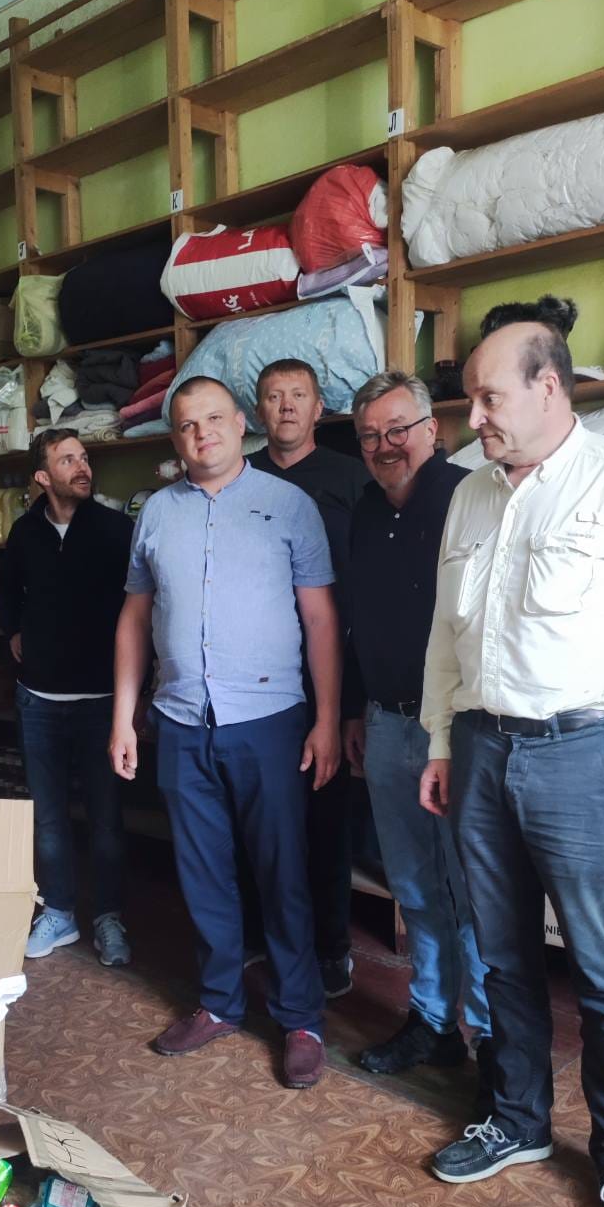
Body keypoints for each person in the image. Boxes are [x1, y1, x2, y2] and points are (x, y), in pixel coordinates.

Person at [418, 295, 604, 1207]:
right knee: (500, 953)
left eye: (489, 398)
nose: (473, 418)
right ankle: (517, 1119)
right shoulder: (470, 493)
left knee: (601, 969)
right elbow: (445, 635)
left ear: (548, 387)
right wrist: (440, 742)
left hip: (584, 753)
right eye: (469, 400)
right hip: (482, 746)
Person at [110, 376, 342, 1089]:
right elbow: (134, 618)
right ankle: (219, 1001)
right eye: (186, 425)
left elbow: (319, 619)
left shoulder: (288, 505)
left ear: (240, 424)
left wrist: (327, 721)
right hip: (182, 720)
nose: (201, 433)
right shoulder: (156, 513)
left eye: (213, 419)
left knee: (282, 871)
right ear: (175, 438)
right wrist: (123, 716)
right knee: (202, 871)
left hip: (269, 721)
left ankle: (300, 1017)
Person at [341, 370, 491, 1105]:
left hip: (457, 729)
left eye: (397, 429)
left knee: (474, 893)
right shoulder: (365, 510)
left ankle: (493, 1042)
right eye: (370, 435)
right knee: (415, 889)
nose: (385, 445)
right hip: (386, 722)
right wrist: (353, 711)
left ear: (432, 429)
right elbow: (353, 617)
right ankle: (433, 1023)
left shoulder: (469, 498)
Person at [249, 358, 369, 999]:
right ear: (258, 411)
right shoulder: (239, 477)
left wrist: (350, 705)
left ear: (320, 408)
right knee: (256, 819)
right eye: (274, 396)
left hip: (331, 678)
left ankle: (330, 948)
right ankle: (260, 937)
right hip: (254, 684)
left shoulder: (351, 478)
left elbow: (366, 592)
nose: (287, 406)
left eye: (299, 395)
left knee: (324, 821)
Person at [0, 428, 134, 967]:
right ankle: (59, 912)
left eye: (84, 457)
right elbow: (7, 591)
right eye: (67, 460)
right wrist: (12, 630)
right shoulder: (25, 532)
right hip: (39, 700)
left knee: (106, 818)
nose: (82, 467)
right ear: (42, 476)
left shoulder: (116, 529)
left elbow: (141, 608)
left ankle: (109, 917)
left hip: (102, 699)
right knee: (49, 817)